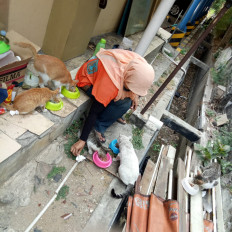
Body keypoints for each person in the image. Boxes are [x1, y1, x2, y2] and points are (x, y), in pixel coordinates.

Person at [70, 48, 154, 156]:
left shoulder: (138, 64)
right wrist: (82, 140)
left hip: (103, 73)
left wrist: (135, 94)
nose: (134, 92)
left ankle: (114, 112)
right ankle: (99, 126)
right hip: (86, 81)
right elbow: (94, 112)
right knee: (125, 102)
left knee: (130, 97)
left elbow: (135, 85)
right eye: (133, 88)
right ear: (128, 78)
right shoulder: (110, 84)